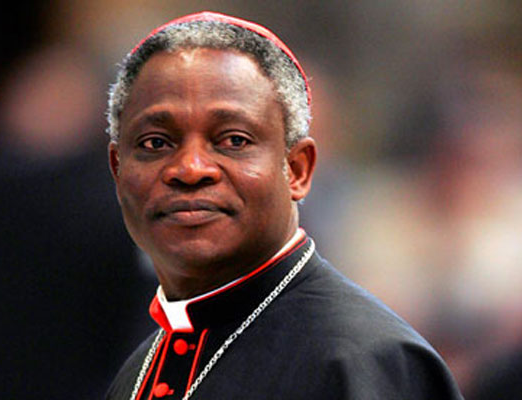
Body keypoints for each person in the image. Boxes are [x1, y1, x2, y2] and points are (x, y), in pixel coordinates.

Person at [105, 11, 464, 400]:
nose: (190, 169)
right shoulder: (138, 374)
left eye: (234, 140)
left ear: (297, 169)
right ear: (117, 169)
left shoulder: (369, 362)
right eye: (156, 143)